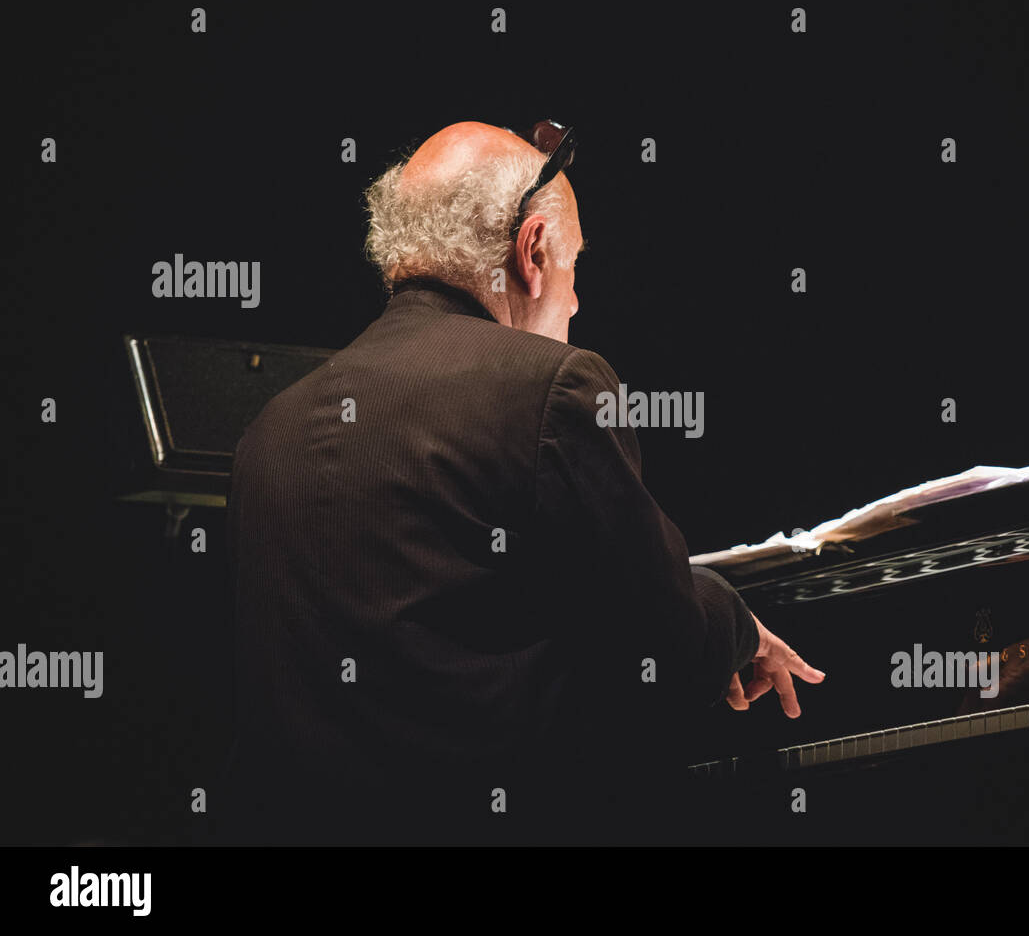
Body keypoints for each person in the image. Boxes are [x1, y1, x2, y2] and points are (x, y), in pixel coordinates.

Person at [223, 121, 823, 844]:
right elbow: (661, 649)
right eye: (574, 269)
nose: (575, 305)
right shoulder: (552, 387)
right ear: (532, 252)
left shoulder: (268, 432)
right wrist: (736, 623)